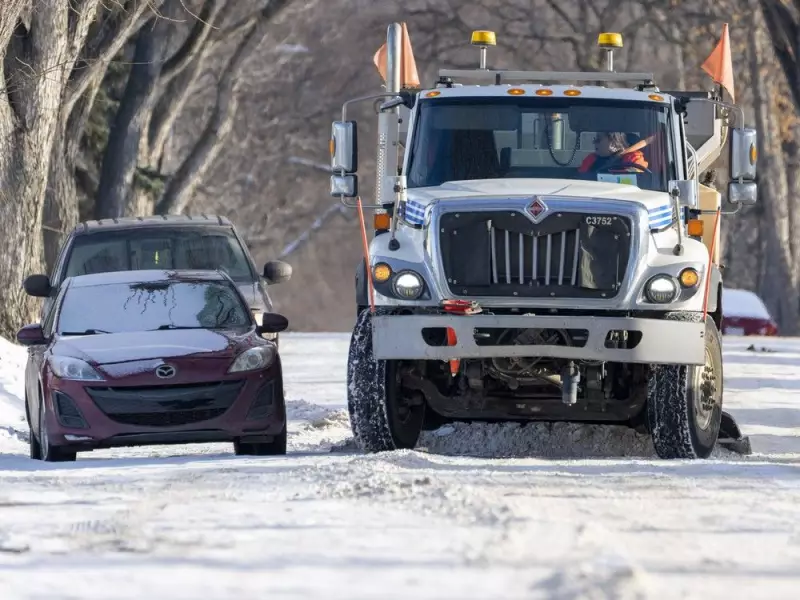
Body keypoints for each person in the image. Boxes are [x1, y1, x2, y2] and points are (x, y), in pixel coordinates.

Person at [577, 132, 649, 173]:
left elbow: (636, 175)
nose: (594, 142)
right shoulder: (590, 159)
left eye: (598, 139)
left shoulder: (633, 158)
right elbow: (581, 179)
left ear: (613, 143)